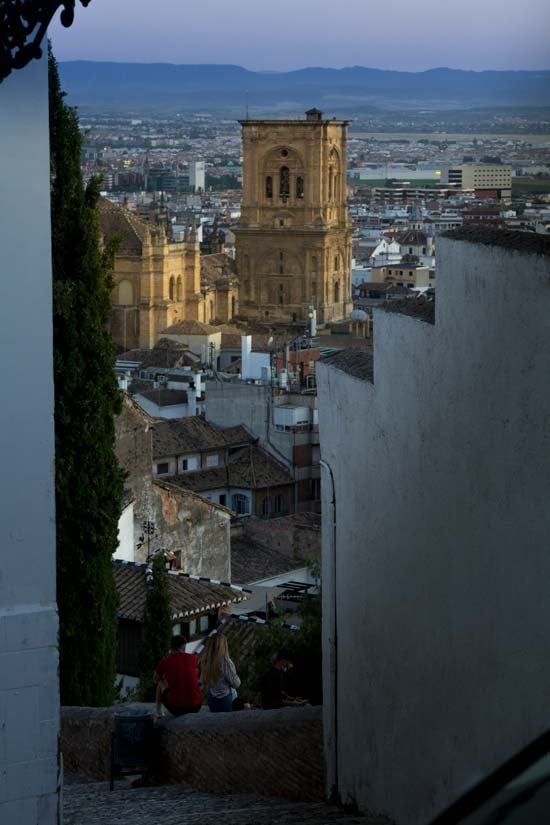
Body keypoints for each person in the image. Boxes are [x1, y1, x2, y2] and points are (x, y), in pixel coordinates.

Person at [154, 635, 202, 717]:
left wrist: (166, 677)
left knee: (161, 681)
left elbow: (155, 679)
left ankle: (158, 711)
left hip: (177, 709)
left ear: (171, 647)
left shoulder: (165, 661)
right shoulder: (194, 658)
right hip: (196, 706)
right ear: (184, 646)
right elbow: (197, 674)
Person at [200, 633, 241, 713]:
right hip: (225, 700)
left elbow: (203, 681)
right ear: (223, 646)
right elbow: (236, 684)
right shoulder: (225, 662)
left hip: (212, 700)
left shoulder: (206, 661)